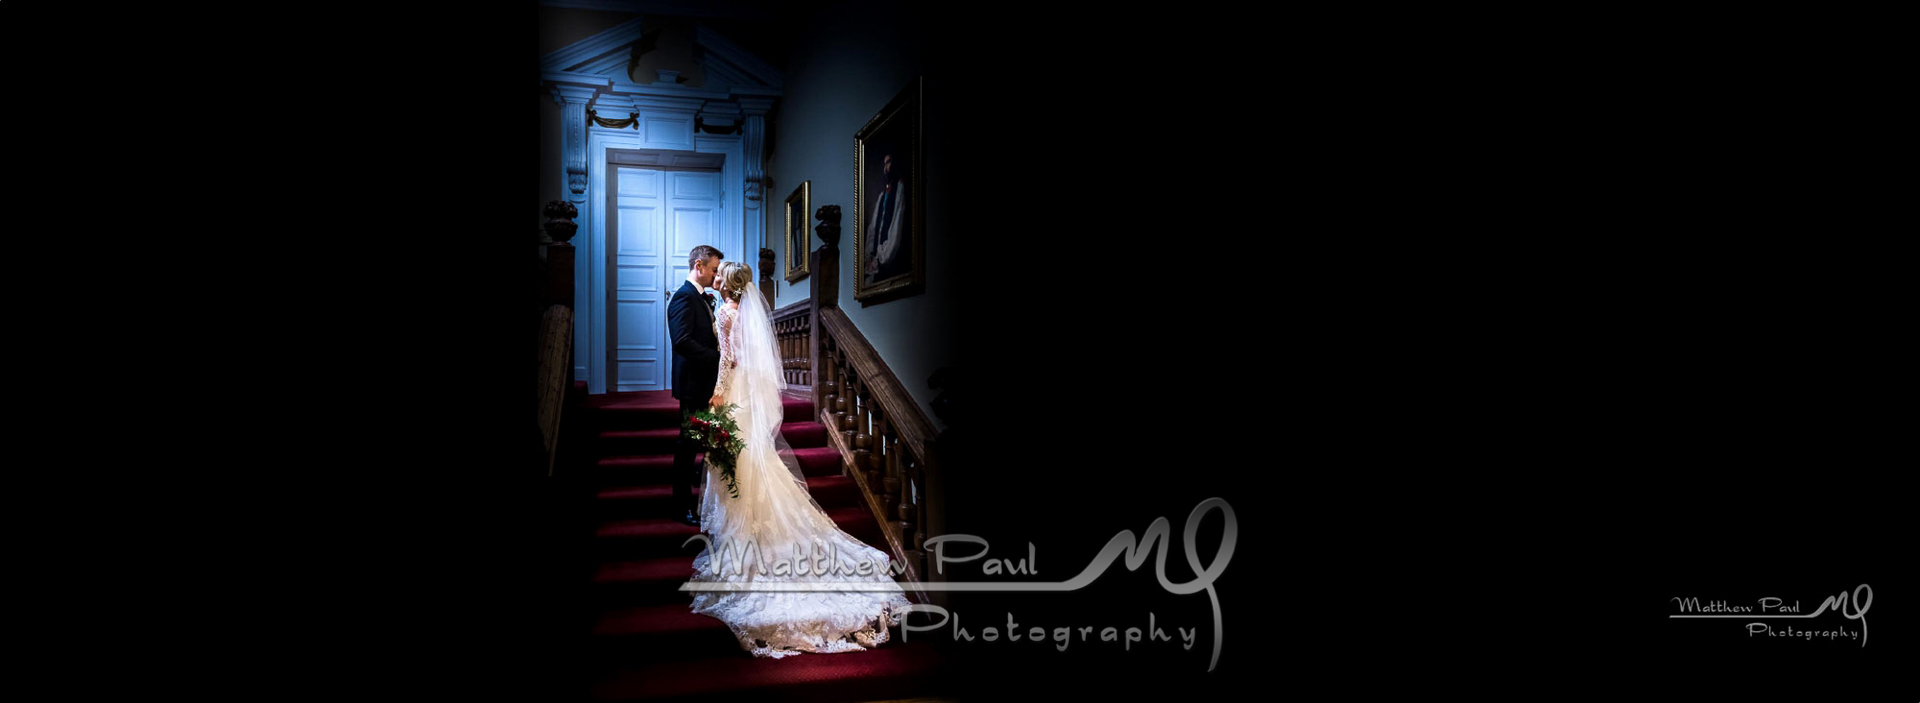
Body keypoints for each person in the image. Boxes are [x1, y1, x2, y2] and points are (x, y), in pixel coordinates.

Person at [687, 261, 913, 658]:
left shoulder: (725, 312)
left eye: (721, 273)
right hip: (750, 395)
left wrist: (718, 394)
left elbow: (727, 359)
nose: (716, 277)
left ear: (728, 284)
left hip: (735, 391)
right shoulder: (745, 312)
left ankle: (744, 538)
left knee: (738, 459)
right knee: (756, 459)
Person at [668, 245, 725, 527]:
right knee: (688, 444)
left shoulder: (702, 298)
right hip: (693, 382)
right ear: (699, 266)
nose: (716, 275)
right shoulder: (684, 298)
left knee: (700, 442)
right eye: (714, 269)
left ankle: (699, 489)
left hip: (703, 382)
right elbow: (682, 341)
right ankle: (681, 505)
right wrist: (718, 358)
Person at [865, 152, 908, 284]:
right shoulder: (882, 196)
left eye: (888, 163)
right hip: (877, 262)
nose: (885, 168)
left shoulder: (900, 188)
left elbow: (896, 229)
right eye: (884, 164)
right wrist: (870, 257)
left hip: (890, 264)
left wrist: (880, 258)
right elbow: (872, 230)